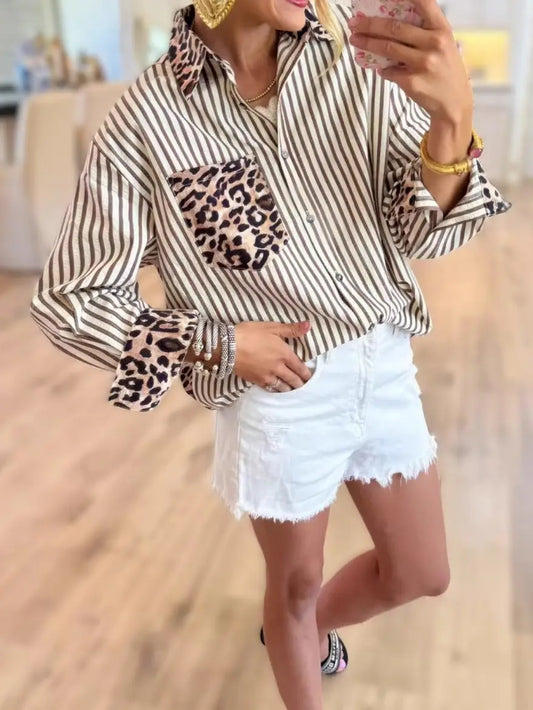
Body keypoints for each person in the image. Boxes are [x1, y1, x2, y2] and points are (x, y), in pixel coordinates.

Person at [29, 1, 511, 708]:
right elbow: (68, 298)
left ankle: (304, 631)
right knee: (294, 585)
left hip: (380, 360)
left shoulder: (354, 57)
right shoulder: (145, 120)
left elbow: (419, 230)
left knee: (420, 572)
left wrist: (451, 122)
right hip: (277, 388)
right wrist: (217, 344)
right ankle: (297, 635)